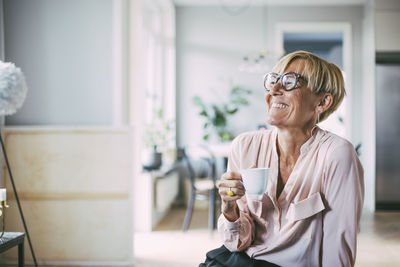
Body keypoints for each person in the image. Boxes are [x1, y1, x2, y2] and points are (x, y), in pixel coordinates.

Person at [199, 51, 364, 267]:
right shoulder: (245, 145)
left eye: (289, 82)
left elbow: (337, 251)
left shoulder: (336, 154)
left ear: (323, 102)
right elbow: (238, 242)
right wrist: (229, 209)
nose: (274, 90)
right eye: (273, 81)